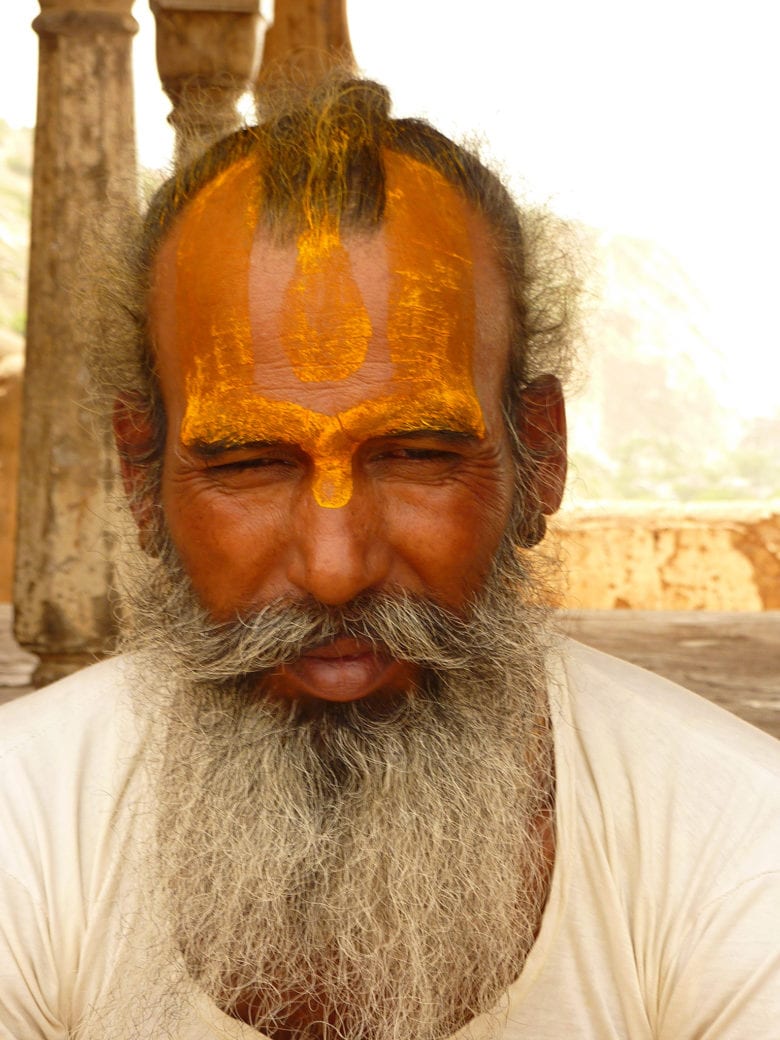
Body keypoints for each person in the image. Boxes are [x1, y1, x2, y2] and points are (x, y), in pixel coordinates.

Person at [1, 77, 778, 1040]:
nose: (335, 569)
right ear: (139, 478)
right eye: (247, 463)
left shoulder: (740, 840)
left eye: (417, 456)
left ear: (541, 458)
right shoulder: (20, 828)